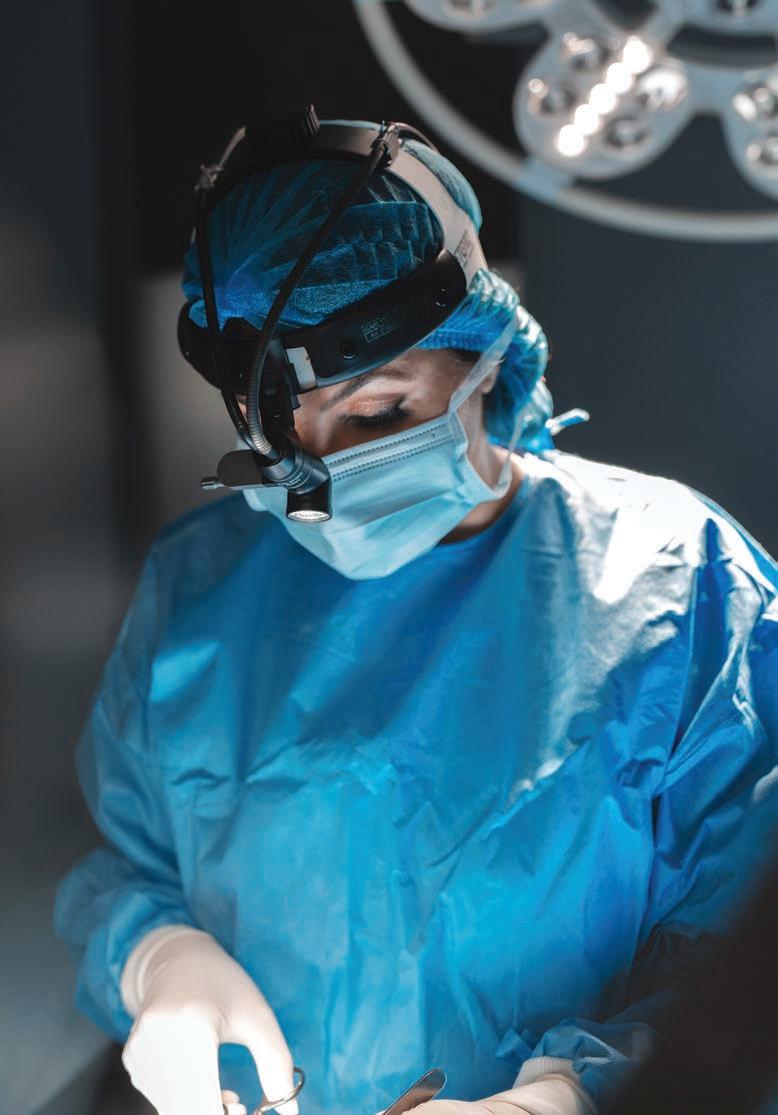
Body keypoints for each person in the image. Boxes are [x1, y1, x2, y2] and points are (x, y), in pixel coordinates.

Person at [55, 118, 778, 1115]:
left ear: (482, 351)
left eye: (378, 411)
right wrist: (158, 958)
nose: (329, 468)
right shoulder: (200, 588)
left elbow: (749, 946)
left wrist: (565, 1098)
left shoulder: (682, 582)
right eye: (284, 431)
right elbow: (129, 869)